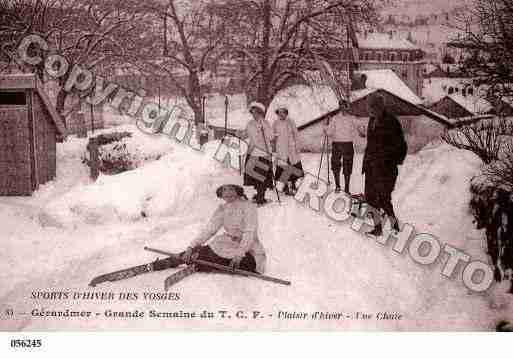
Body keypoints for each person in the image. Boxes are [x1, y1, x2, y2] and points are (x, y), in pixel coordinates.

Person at [152, 184, 266, 274]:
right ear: (220, 192)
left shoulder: (248, 207)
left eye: (231, 188)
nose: (227, 193)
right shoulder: (223, 208)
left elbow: (249, 233)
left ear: (237, 190)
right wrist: (191, 247)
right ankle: (169, 262)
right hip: (227, 244)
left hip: (248, 250)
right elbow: (209, 230)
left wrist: (239, 254)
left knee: (240, 263)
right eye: (224, 189)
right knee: (199, 252)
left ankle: (201, 264)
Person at [362, 93, 407, 236]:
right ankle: (378, 228)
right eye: (369, 107)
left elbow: (401, 145)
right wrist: (366, 163)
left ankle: (394, 226)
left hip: (385, 168)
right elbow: (370, 144)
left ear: (379, 107)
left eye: (371, 107)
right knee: (370, 198)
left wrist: (390, 161)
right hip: (371, 166)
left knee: (383, 198)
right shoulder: (371, 121)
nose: (369, 110)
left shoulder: (391, 121)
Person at [244, 102, 274, 205]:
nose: (254, 114)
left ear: (260, 113)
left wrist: (264, 130)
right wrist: (239, 134)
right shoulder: (250, 124)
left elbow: (271, 137)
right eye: (252, 112)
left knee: (262, 177)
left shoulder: (266, 123)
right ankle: (259, 194)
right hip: (253, 153)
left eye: (256, 112)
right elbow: (247, 135)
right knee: (254, 177)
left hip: (264, 154)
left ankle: (261, 197)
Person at [272, 106, 304, 195]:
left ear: (286, 113)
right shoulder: (275, 123)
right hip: (281, 149)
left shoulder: (291, 122)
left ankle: (293, 185)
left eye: (283, 112)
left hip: (291, 149)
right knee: (283, 167)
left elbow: (296, 135)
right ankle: (286, 186)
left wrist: (297, 147)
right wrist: (273, 141)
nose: (281, 114)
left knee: (293, 167)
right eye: (279, 113)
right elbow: (272, 135)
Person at [323, 111, 356, 194]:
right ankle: (344, 188)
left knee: (338, 165)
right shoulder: (350, 118)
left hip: (339, 144)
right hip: (345, 144)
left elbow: (328, 132)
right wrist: (327, 126)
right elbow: (357, 131)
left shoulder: (335, 118)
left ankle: (340, 187)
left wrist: (326, 126)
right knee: (344, 165)